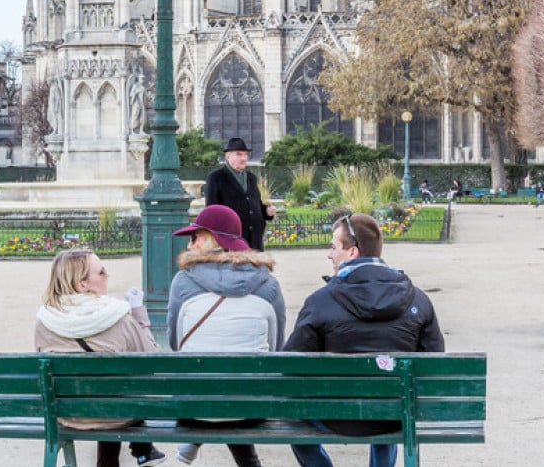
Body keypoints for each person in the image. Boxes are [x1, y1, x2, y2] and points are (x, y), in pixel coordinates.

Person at [283, 213, 444, 467]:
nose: (329, 255)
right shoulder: (418, 300)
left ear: (353, 252)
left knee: (290, 409)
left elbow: (290, 366)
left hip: (333, 415)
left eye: (334, 247)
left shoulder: (319, 301)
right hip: (394, 415)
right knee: (392, 391)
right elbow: (434, 364)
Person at [168, 204, 286, 467]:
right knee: (236, 386)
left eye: (194, 237)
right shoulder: (268, 284)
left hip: (194, 409)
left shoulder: (182, 282)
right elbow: (277, 349)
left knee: (212, 385)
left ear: (210, 240)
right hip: (252, 409)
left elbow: (176, 343)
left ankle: (194, 441)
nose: (189, 245)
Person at [34, 249, 166, 467]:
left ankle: (130, 454)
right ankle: (142, 451)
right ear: (82, 284)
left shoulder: (45, 320)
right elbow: (152, 360)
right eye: (102, 272)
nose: (107, 276)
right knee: (118, 393)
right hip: (117, 414)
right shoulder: (119, 317)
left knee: (106, 391)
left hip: (68, 414)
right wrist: (139, 314)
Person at [204, 137, 276, 251]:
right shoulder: (216, 178)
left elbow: (255, 205)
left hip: (255, 242)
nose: (243, 158)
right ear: (228, 156)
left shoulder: (251, 178)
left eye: (245, 154)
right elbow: (212, 210)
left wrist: (267, 211)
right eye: (239, 154)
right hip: (232, 241)